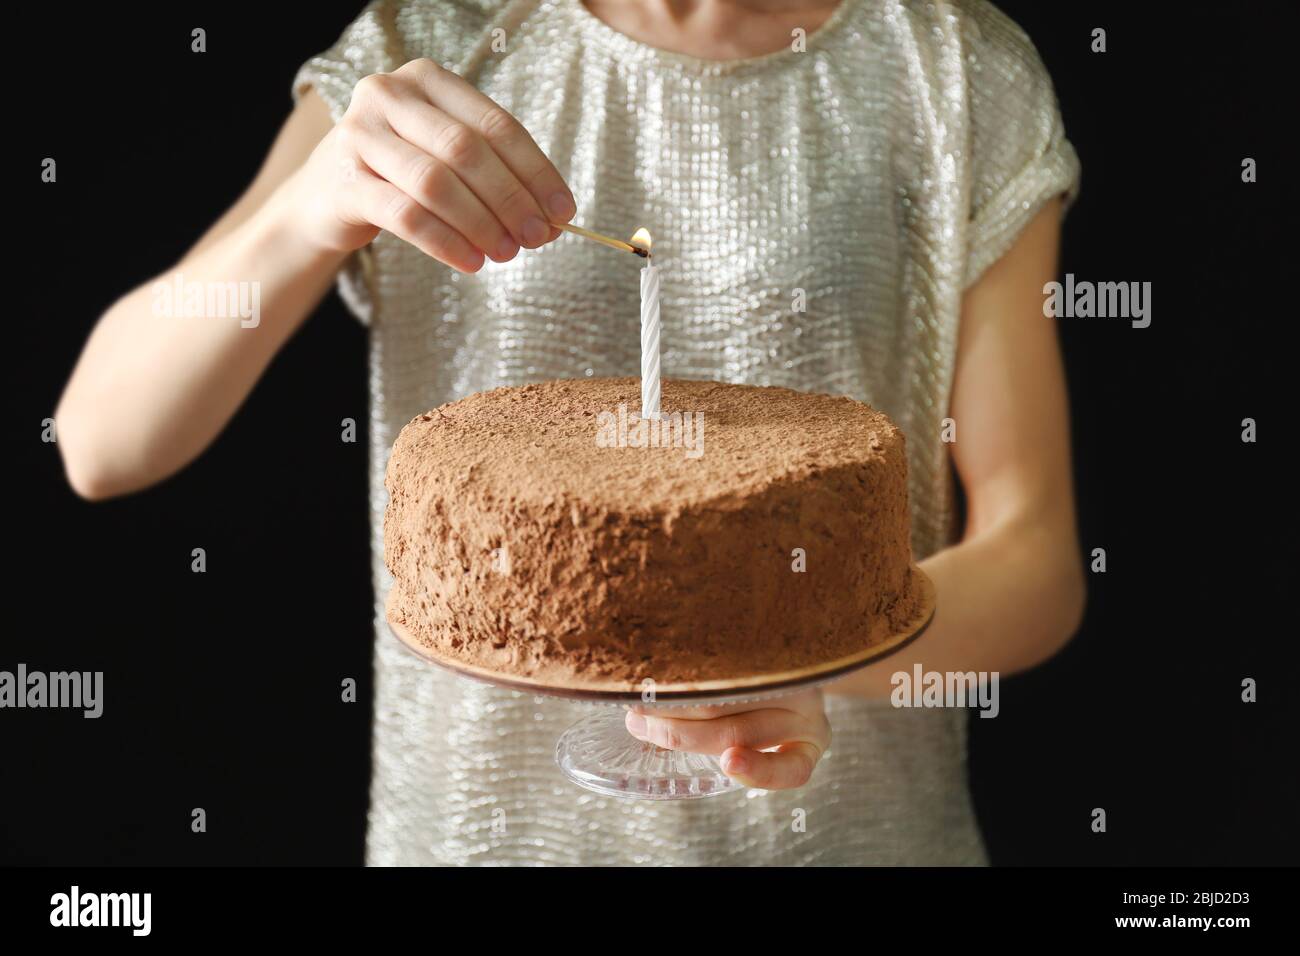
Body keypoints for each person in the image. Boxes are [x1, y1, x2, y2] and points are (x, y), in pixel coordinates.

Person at [55, 0, 1084, 865]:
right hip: (472, 836)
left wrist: (795, 651)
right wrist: (306, 211)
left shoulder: (950, 69)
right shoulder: (431, 46)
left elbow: (1035, 559)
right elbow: (103, 440)